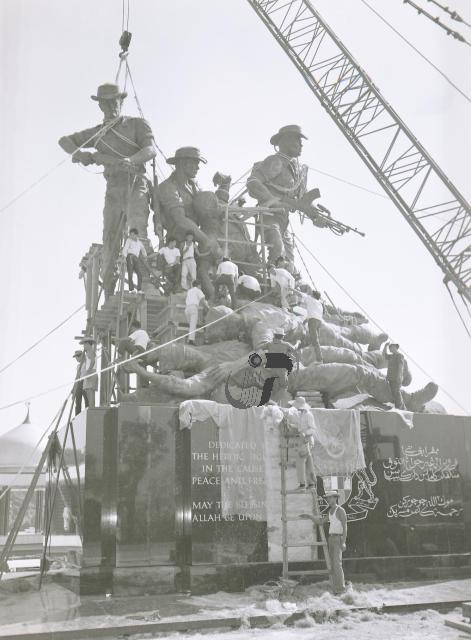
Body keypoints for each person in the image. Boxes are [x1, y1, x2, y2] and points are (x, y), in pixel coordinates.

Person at [58, 83, 156, 297]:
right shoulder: (98, 133)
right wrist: (82, 154)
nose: (113, 105)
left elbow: (150, 149)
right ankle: (110, 290)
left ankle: (148, 282)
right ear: (101, 105)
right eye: (107, 102)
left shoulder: (137, 125)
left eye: (116, 101)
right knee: (110, 237)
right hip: (113, 189)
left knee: (138, 231)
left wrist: (131, 159)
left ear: (121, 101)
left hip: (135, 184)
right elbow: (64, 141)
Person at [247, 125, 325, 271]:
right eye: (298, 141)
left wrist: (316, 215)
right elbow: (253, 182)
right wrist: (274, 201)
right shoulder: (276, 162)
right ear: (287, 141)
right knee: (278, 250)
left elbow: (303, 199)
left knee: (290, 262)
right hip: (269, 216)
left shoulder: (296, 169)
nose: (301, 145)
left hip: (283, 220)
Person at [286, 396, 317, 490]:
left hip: (305, 440)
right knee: (308, 462)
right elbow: (299, 426)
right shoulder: (301, 414)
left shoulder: (308, 415)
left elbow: (313, 429)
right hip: (303, 440)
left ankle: (302, 484)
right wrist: (291, 425)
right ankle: (311, 483)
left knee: (300, 461)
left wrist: (304, 433)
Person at [298, 285, 324, 362]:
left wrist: (290, 288)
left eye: (311, 294)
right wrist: (306, 320)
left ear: (313, 295)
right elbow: (314, 313)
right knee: (314, 339)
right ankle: (308, 354)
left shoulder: (310, 299)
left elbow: (299, 294)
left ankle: (319, 359)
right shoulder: (320, 303)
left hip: (313, 321)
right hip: (319, 322)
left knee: (315, 340)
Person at [122, 228, 147, 292]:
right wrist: (124, 257)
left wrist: (145, 256)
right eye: (130, 235)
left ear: (136, 235)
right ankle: (131, 289)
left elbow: (143, 249)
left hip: (136, 258)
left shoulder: (139, 242)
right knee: (130, 273)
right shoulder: (129, 240)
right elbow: (125, 248)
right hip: (130, 256)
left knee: (139, 273)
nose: (131, 236)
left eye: (133, 235)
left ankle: (139, 289)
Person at [383, 342, 407, 409]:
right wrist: (385, 346)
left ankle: (400, 408)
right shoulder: (391, 356)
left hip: (396, 378)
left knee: (396, 393)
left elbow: (400, 366)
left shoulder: (399, 355)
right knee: (394, 393)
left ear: (396, 347)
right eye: (389, 347)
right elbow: (384, 355)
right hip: (390, 378)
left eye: (391, 347)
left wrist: (399, 376)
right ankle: (400, 407)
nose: (390, 348)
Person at [185, 280, 208, 345]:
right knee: (193, 325)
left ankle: (189, 339)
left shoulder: (189, 291)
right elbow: (202, 300)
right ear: (198, 285)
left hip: (187, 309)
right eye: (200, 285)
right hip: (193, 308)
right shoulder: (198, 290)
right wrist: (207, 307)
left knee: (190, 325)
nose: (200, 287)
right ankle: (191, 340)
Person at [79, 337, 98, 409]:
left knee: (90, 392)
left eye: (84, 345)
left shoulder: (90, 352)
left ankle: (92, 408)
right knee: (89, 392)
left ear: (87, 344)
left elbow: (92, 362)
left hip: (91, 372)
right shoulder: (90, 352)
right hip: (92, 372)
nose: (83, 346)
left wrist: (88, 372)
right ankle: (91, 408)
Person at [72, 350, 86, 415]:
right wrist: (74, 388)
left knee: (86, 398)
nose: (76, 359)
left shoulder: (86, 363)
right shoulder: (78, 366)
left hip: (85, 381)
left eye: (76, 357)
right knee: (78, 401)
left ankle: (86, 412)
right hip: (79, 382)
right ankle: (77, 414)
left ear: (80, 356)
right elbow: (77, 377)